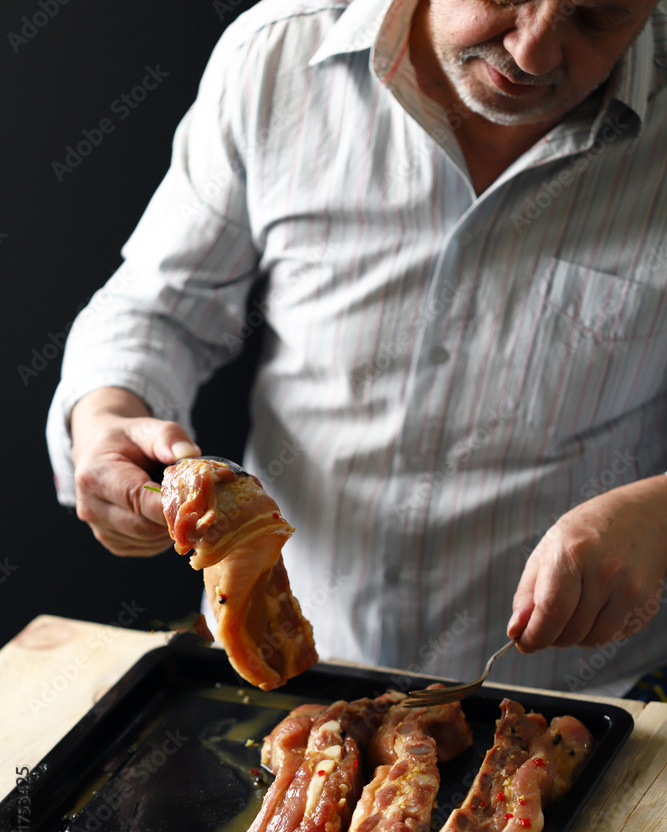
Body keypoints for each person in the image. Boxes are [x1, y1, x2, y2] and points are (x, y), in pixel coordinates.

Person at [47, 0, 667, 697]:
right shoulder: (275, 55)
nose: (531, 54)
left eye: (598, 17)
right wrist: (104, 415)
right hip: (278, 669)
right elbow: (159, 307)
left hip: (585, 695)